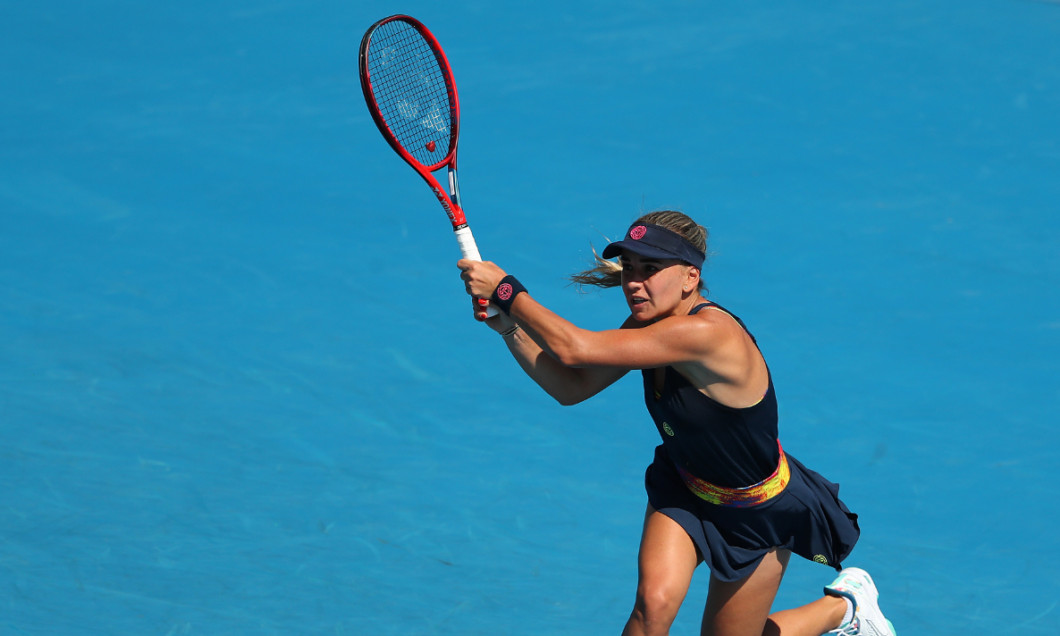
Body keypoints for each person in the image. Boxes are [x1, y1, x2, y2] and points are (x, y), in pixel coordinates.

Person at [457, 210, 896, 636]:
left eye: (650, 269)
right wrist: (509, 329)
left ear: (690, 278)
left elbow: (575, 349)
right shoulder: (648, 325)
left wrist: (507, 291)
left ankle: (844, 609)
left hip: (756, 512)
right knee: (652, 609)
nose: (633, 282)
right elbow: (573, 387)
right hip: (686, 486)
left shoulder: (707, 334)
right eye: (629, 267)